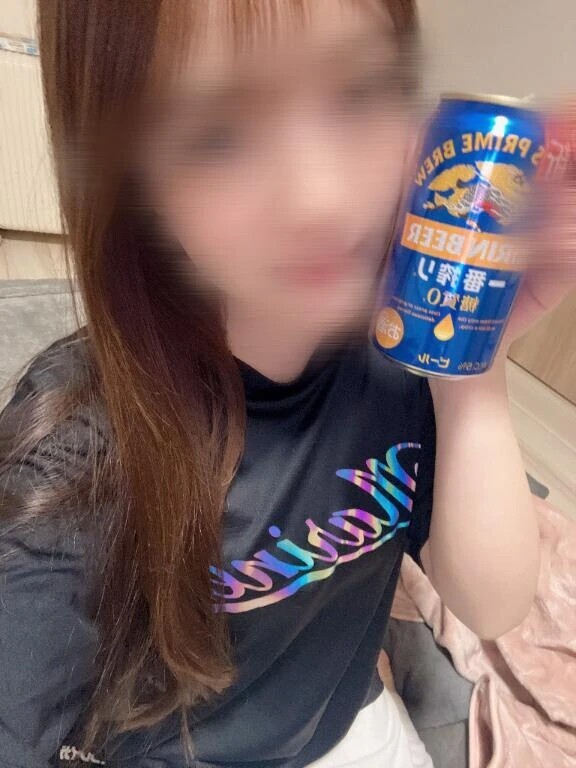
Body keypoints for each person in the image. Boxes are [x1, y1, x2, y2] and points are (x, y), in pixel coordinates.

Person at [0, 1, 574, 766]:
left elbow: (492, 605)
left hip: (343, 723)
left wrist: (475, 362)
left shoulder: (399, 353)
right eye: (219, 134)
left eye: (360, 93)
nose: (320, 200)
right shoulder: (80, 445)